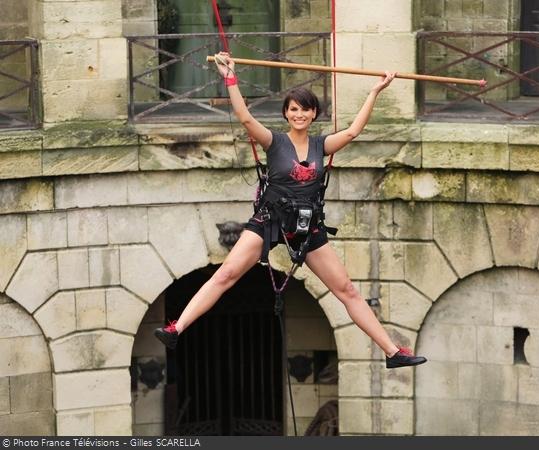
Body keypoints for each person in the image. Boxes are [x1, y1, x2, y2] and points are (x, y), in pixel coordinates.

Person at [154, 52, 426, 369]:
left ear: (314, 114)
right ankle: (177, 328)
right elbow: (244, 118)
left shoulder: (321, 145)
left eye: (305, 109)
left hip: (307, 228)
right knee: (226, 274)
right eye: (293, 109)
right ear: (286, 114)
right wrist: (230, 76)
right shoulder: (274, 142)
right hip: (270, 222)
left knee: (347, 290)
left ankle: (392, 352)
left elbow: (352, 132)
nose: (299, 114)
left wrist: (375, 91)